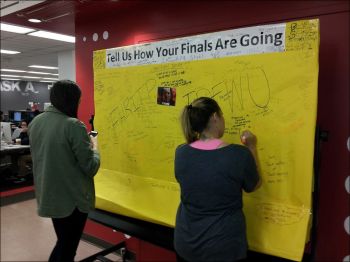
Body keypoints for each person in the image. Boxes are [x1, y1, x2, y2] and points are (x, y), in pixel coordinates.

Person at [174, 97, 261, 262]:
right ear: (215, 117)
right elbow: (254, 184)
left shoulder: (181, 153)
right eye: (222, 116)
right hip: (223, 249)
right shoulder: (239, 155)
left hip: (186, 245)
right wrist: (252, 147)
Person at [28, 80, 100, 262]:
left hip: (50, 196)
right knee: (67, 248)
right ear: (72, 100)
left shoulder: (36, 122)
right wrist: (95, 147)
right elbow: (90, 166)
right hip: (72, 201)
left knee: (64, 243)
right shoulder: (73, 125)